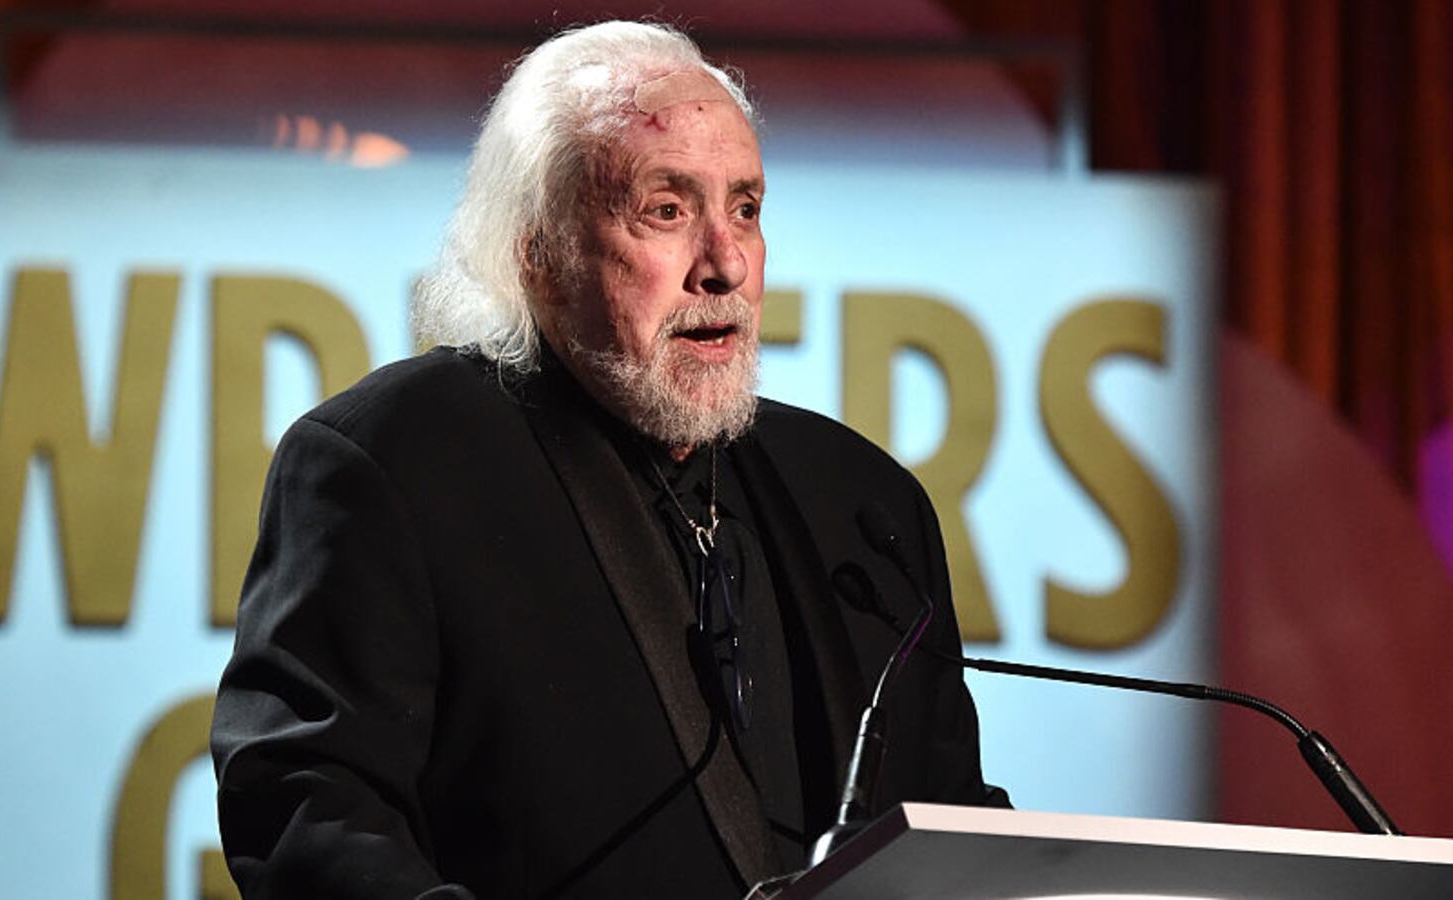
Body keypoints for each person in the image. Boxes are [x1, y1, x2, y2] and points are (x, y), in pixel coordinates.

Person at [211, 20, 1005, 899]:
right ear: (536, 252)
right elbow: (302, 808)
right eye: (666, 210)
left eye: (745, 208)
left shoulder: (861, 501)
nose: (726, 263)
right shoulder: (392, 461)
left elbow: (947, 819)